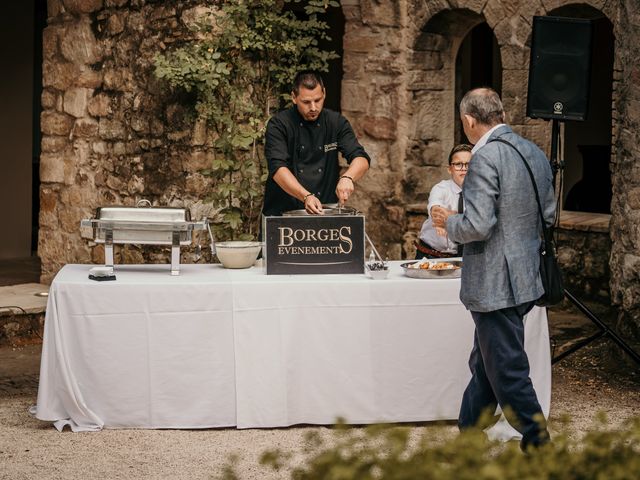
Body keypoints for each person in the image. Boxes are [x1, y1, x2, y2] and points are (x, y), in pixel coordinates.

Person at [431, 87, 554, 450]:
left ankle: (538, 443)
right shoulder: (534, 151)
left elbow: (478, 225)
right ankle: (469, 434)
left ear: (469, 121)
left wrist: (449, 221)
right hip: (525, 277)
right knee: (485, 362)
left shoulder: (484, 158)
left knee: (506, 369)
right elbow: (547, 216)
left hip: (494, 283)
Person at [262, 71, 370, 216]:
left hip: (323, 212)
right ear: (294, 97)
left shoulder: (336, 122)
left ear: (324, 93)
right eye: (306, 102)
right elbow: (277, 168)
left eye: (317, 100)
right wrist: (306, 196)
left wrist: (347, 177)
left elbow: (361, 158)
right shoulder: (279, 125)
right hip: (282, 213)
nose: (313, 107)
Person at [415, 144, 472, 259]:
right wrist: (439, 217)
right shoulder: (441, 188)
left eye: (468, 164)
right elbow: (435, 206)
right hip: (430, 254)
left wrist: (449, 219)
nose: (464, 168)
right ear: (449, 169)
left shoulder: (481, 193)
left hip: (465, 257)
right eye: (458, 164)